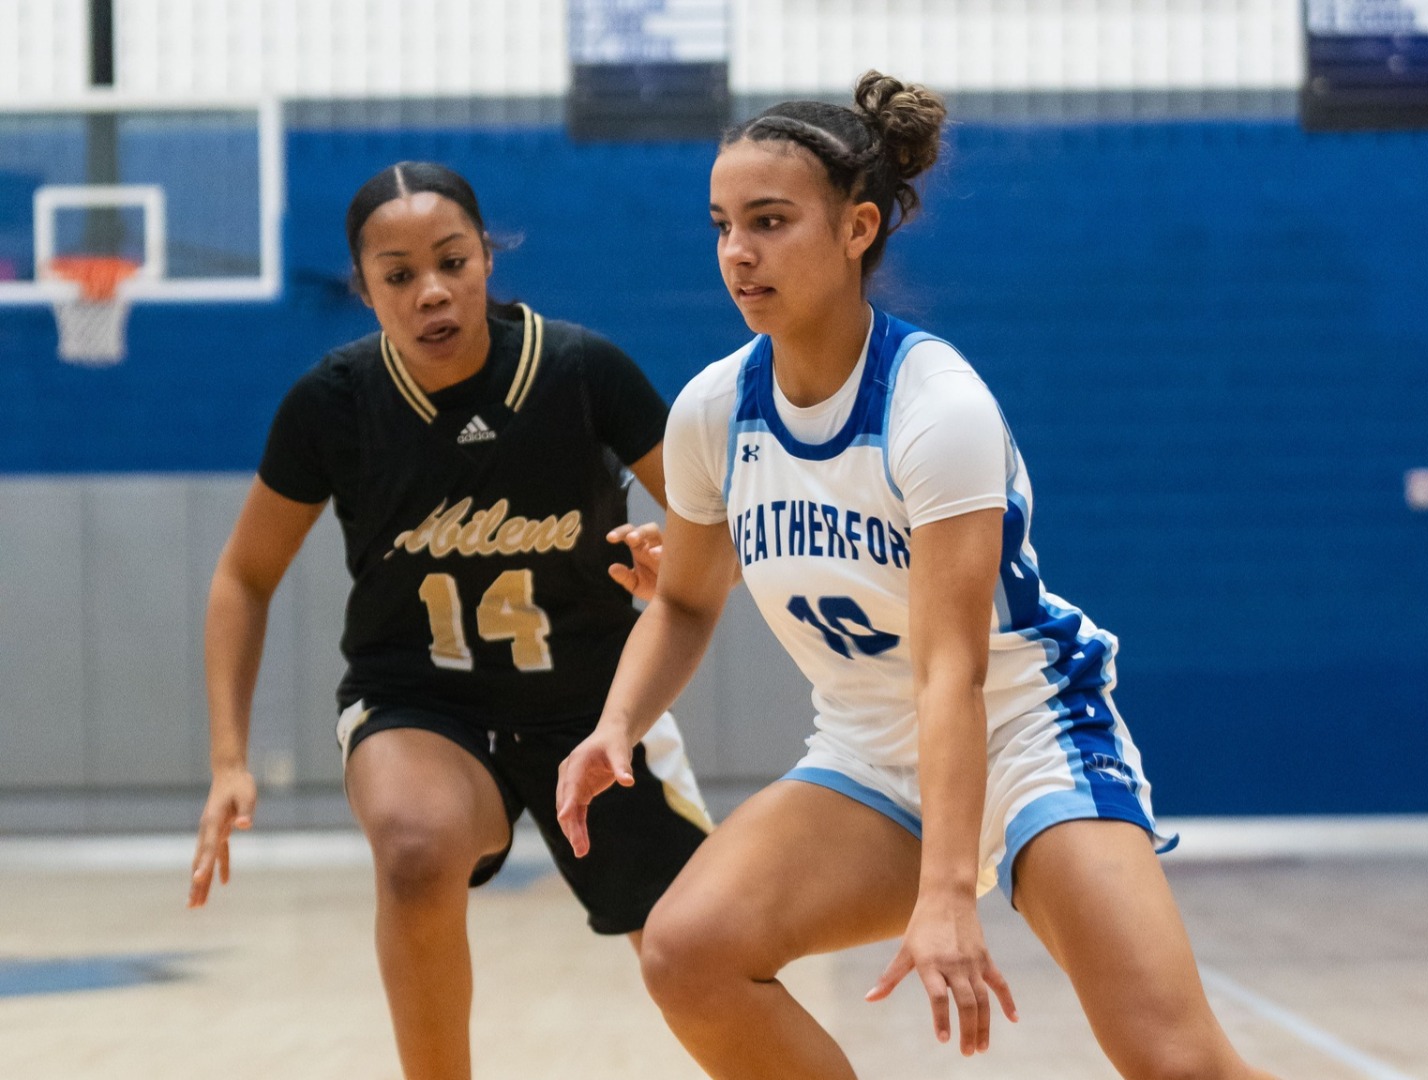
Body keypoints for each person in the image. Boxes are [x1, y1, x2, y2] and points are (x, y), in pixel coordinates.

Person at [554, 72, 1279, 1080]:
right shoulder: (713, 412)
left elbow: (956, 674)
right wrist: (617, 725)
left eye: (769, 221)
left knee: (1174, 1060)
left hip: (1025, 737)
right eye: (722, 223)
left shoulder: (938, 407)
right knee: (688, 952)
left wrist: (945, 893)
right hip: (870, 757)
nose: (737, 252)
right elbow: (681, 598)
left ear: (857, 228)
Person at [187, 162, 710, 1080]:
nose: (431, 291)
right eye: (397, 275)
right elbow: (243, 576)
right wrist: (230, 760)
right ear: (365, 290)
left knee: (698, 954)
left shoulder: (583, 370)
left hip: (594, 705)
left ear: (484, 261)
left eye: (452, 262)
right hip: (421, 702)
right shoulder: (334, 403)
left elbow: (717, 539)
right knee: (417, 851)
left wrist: (672, 557)